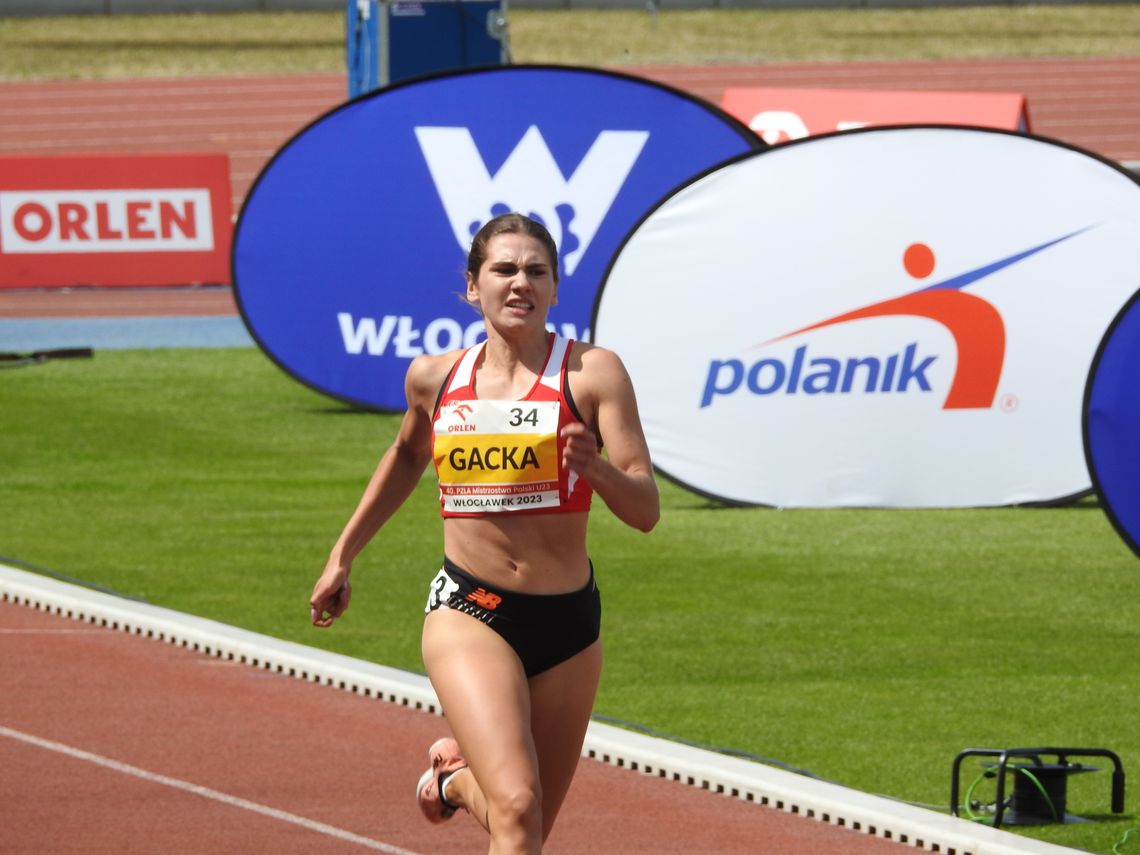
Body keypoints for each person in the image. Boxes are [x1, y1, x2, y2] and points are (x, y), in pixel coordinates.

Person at [309, 212, 659, 854]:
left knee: (520, 827)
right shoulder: (434, 378)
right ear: (473, 286)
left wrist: (596, 469)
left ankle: (453, 786)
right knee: (519, 807)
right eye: (503, 269)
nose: (519, 282)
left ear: (556, 287)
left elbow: (645, 509)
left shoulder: (593, 374)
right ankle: (471, 783)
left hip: (569, 626)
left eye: (536, 271)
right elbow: (407, 457)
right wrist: (342, 556)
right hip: (472, 609)